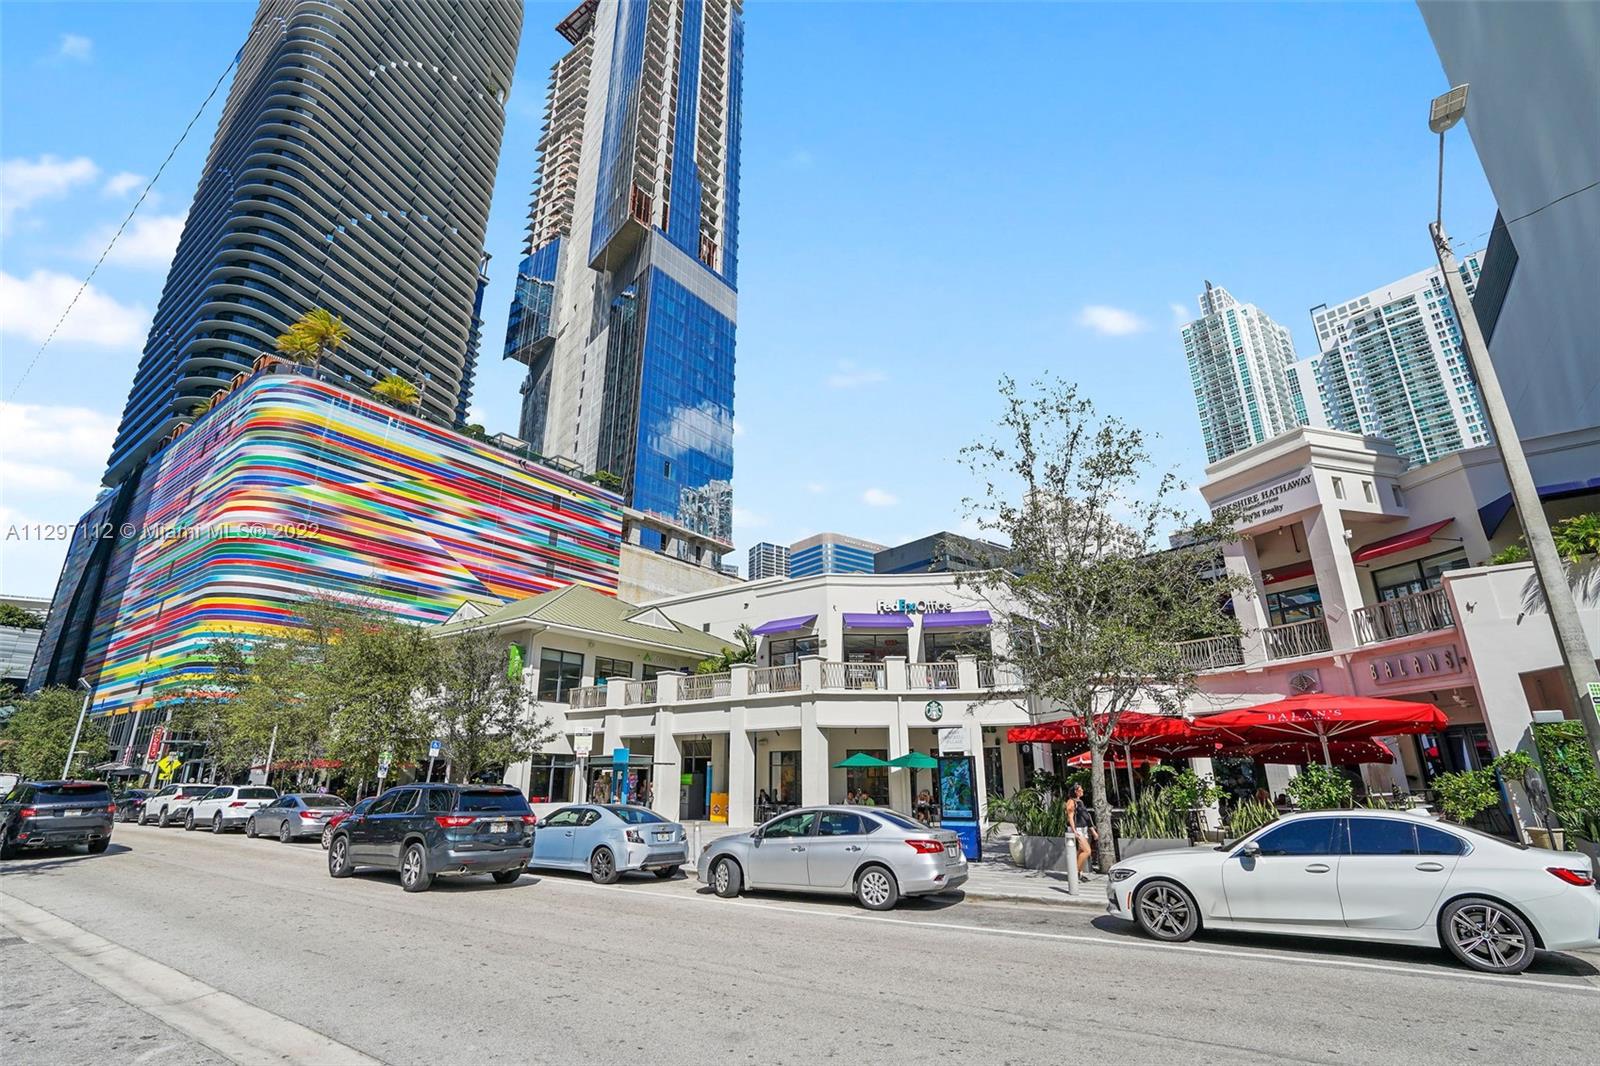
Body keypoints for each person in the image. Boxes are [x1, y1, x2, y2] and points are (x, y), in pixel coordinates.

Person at [1065, 783, 1097, 880]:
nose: (1082, 790)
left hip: (1084, 828)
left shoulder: (1080, 802)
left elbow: (1087, 818)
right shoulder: (1071, 802)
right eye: (1081, 789)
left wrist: (1093, 831)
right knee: (1087, 851)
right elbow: (1070, 817)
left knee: (1081, 851)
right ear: (1076, 791)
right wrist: (1074, 831)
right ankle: (1074, 873)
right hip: (1078, 829)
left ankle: (1080, 873)